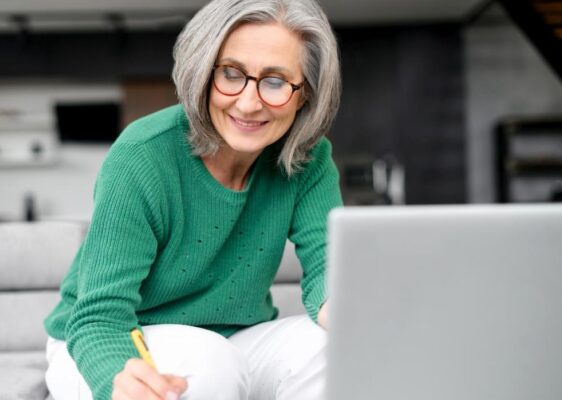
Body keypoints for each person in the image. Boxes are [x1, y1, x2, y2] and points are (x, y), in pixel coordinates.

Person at [43, 0, 342, 398]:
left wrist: (344, 310)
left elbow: (327, 266)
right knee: (210, 360)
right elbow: (99, 317)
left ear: (304, 95)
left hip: (234, 340)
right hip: (111, 342)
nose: (250, 103)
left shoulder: (309, 157)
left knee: (328, 346)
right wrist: (116, 377)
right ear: (202, 74)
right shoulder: (144, 153)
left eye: (275, 82)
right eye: (231, 75)